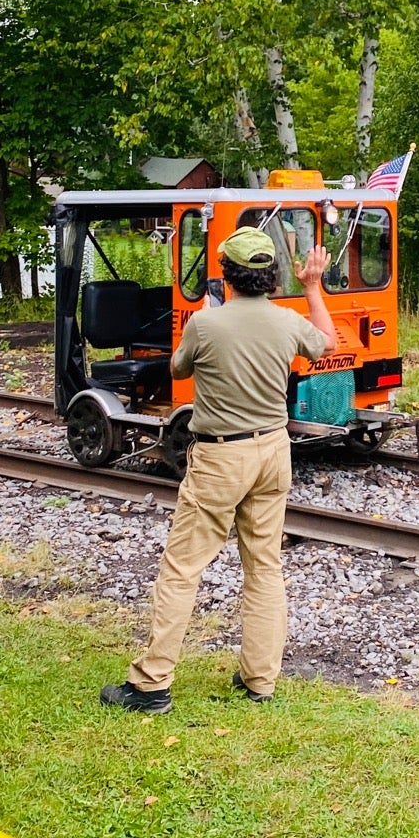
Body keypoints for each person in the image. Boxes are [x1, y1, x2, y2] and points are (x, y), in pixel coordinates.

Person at [101, 224, 338, 715]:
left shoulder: (205, 325)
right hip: (274, 452)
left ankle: (151, 685)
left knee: (183, 567)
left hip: (220, 457)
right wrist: (313, 286)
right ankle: (259, 679)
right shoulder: (287, 321)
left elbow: (177, 371)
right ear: (273, 276)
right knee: (265, 565)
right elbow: (328, 344)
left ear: (225, 275)